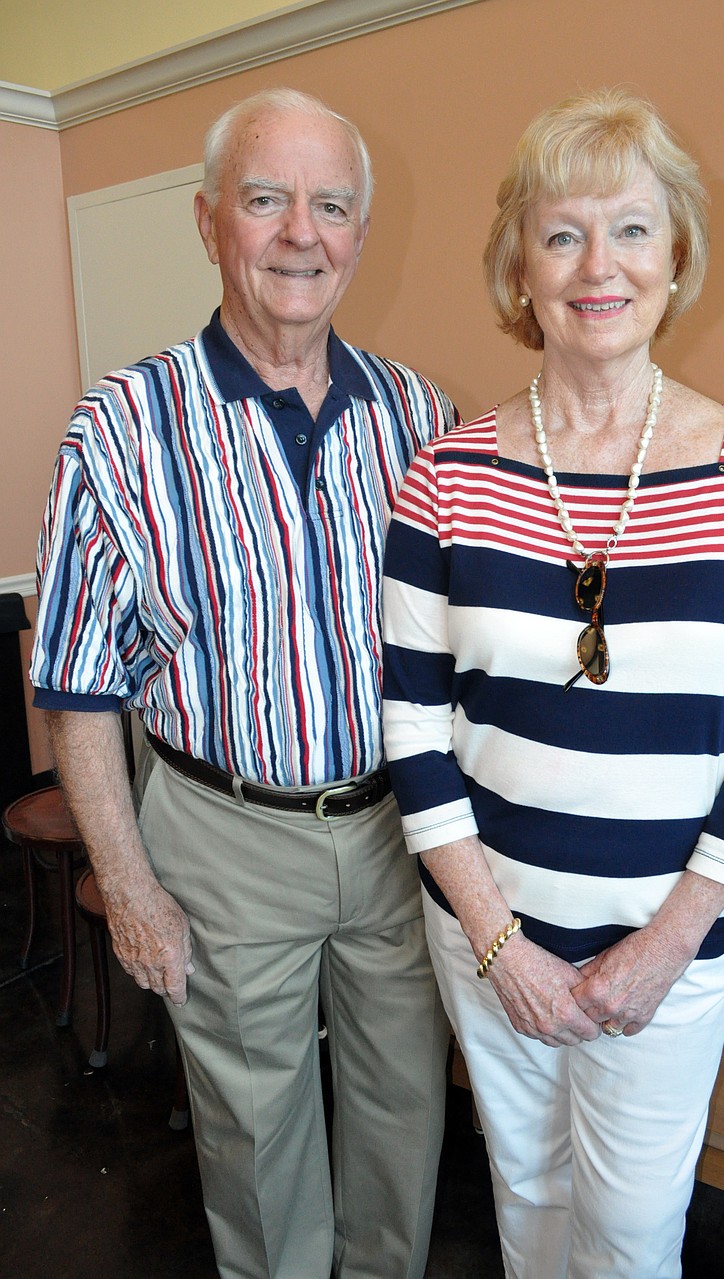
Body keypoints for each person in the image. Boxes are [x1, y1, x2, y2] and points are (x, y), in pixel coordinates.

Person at [381, 88, 724, 1279]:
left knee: (631, 1233)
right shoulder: (445, 473)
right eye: (560, 231)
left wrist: (661, 947)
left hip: (669, 948)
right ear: (517, 268)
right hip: (488, 934)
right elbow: (413, 723)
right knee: (523, 1195)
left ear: (675, 257)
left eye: (631, 228)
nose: (597, 264)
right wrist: (498, 942)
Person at [30, 88, 455, 1279]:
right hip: (218, 833)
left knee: (402, 1106)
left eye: (330, 206)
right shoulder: (120, 428)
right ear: (210, 220)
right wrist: (129, 882)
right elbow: (75, 682)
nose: (299, 234)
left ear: (360, 235)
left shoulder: (422, 418)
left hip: (394, 828)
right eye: (267, 199)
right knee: (255, 1134)